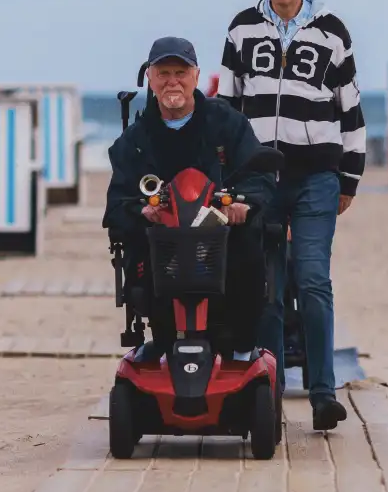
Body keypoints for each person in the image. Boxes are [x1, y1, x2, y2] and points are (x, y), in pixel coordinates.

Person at [217, 0, 366, 430]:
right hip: (259, 183)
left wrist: (349, 178)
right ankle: (271, 387)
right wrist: (227, 177)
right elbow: (228, 112)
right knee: (268, 288)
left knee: (312, 280)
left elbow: (351, 112)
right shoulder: (242, 30)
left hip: (315, 180)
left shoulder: (332, 33)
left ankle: (323, 394)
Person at [103, 36, 275, 356]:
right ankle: (166, 344)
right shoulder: (135, 140)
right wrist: (141, 213)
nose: (172, 82)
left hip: (222, 240)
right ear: (149, 79)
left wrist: (245, 203)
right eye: (163, 73)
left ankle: (240, 349)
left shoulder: (227, 123)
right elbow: (116, 204)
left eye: (180, 73)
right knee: (139, 248)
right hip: (164, 248)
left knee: (252, 240)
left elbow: (259, 176)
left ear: (196, 76)